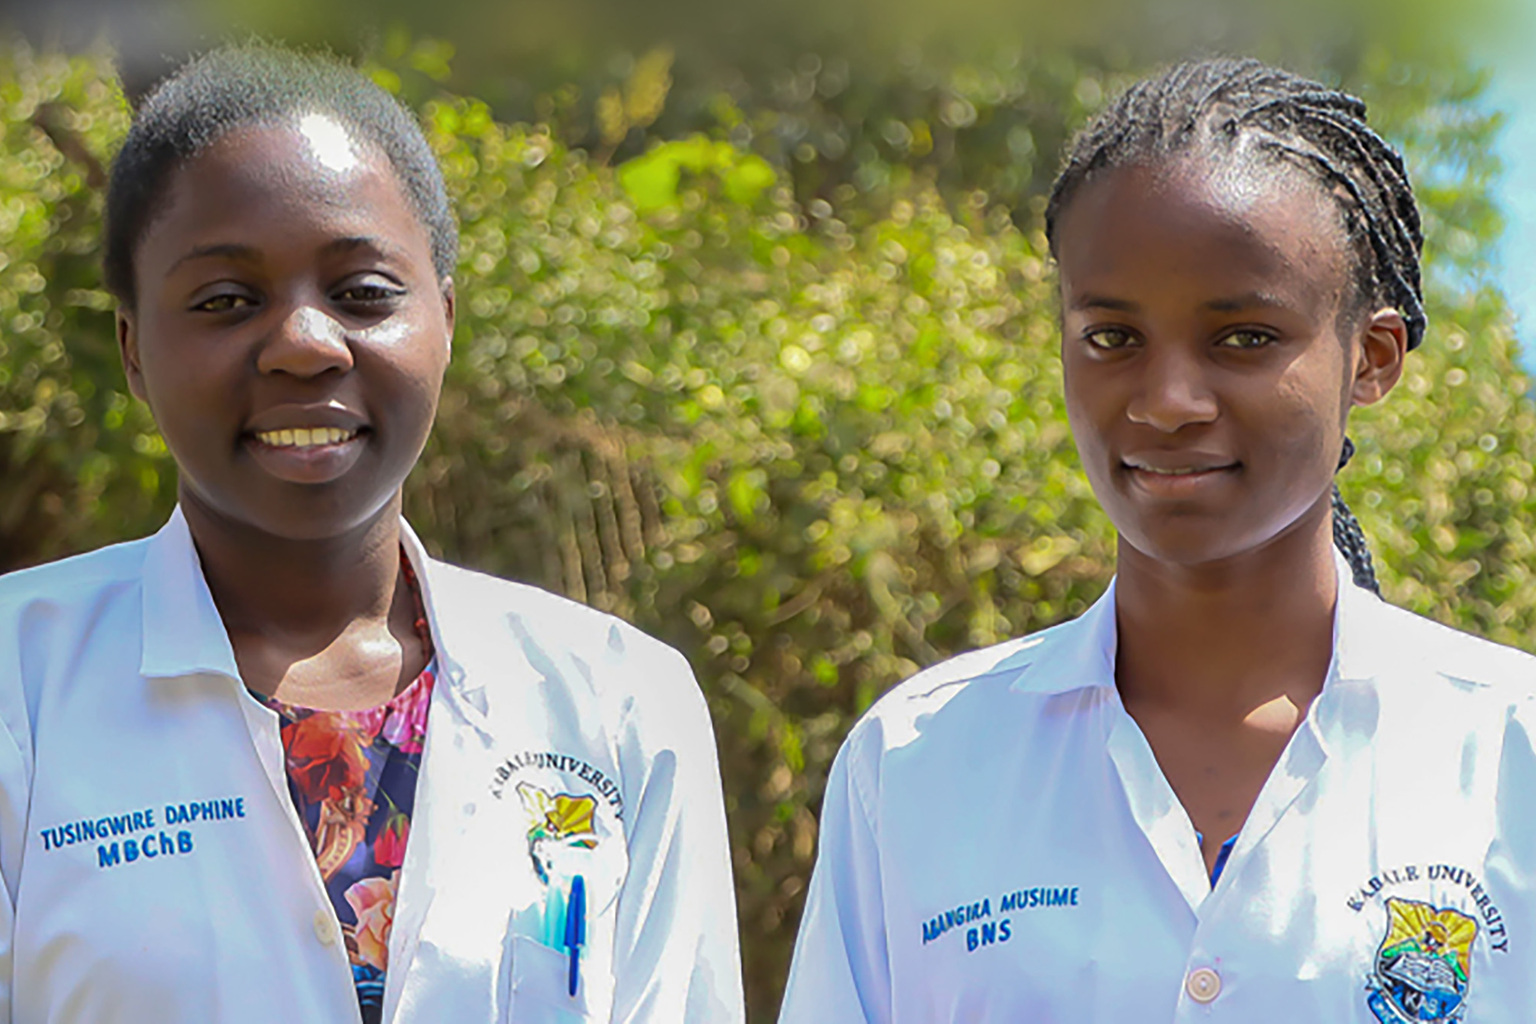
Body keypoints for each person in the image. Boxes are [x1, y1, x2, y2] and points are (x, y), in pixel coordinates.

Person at [778, 58, 1536, 1022]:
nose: (1168, 402)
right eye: (1111, 337)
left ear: (1372, 359)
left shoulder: (1511, 752)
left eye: (1245, 338)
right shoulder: (919, 761)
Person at [0, 45, 743, 1024]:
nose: (306, 344)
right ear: (136, 350)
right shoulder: (21, 682)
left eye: (362, 293)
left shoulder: (619, 705)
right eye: (226, 301)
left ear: (444, 318)